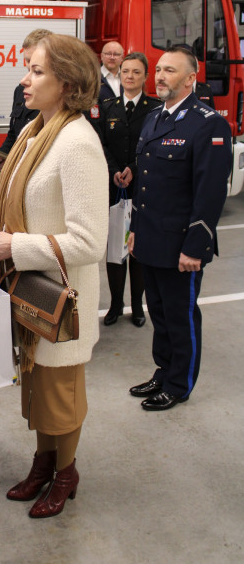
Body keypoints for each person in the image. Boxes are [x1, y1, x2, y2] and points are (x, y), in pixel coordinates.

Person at [0, 34, 108, 519]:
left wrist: (17, 247)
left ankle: (66, 472)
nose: (24, 79)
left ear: (67, 83)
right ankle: (44, 462)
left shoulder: (76, 143)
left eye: (36, 71)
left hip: (60, 301)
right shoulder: (37, 131)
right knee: (37, 391)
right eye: (27, 69)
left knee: (61, 396)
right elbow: (8, 203)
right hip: (33, 293)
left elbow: (89, 241)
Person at [128, 45, 232, 411]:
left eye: (170, 70)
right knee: (157, 310)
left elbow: (210, 192)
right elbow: (145, 182)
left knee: (180, 314)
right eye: (158, 69)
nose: (159, 76)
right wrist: (135, 229)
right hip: (151, 237)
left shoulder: (208, 123)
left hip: (181, 243)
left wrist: (196, 246)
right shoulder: (154, 118)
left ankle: (179, 384)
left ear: (191, 78)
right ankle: (164, 369)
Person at [98, 53, 161, 327]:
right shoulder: (108, 107)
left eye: (136, 72)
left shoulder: (155, 109)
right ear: (119, 74)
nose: (130, 76)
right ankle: (115, 304)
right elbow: (101, 143)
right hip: (115, 190)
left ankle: (137, 306)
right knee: (115, 251)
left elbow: (155, 146)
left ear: (145, 77)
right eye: (126, 71)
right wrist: (114, 171)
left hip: (143, 189)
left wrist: (134, 168)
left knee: (137, 251)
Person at [0, 29, 51, 172]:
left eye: (34, 60)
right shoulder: (20, 91)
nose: (28, 65)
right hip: (19, 174)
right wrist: (2, 155)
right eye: (27, 60)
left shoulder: (59, 98)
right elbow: (14, 133)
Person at [88, 41, 124, 126]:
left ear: (122, 57)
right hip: (101, 126)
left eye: (116, 54)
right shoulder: (92, 78)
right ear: (102, 56)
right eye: (108, 54)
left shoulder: (127, 77)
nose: (112, 57)